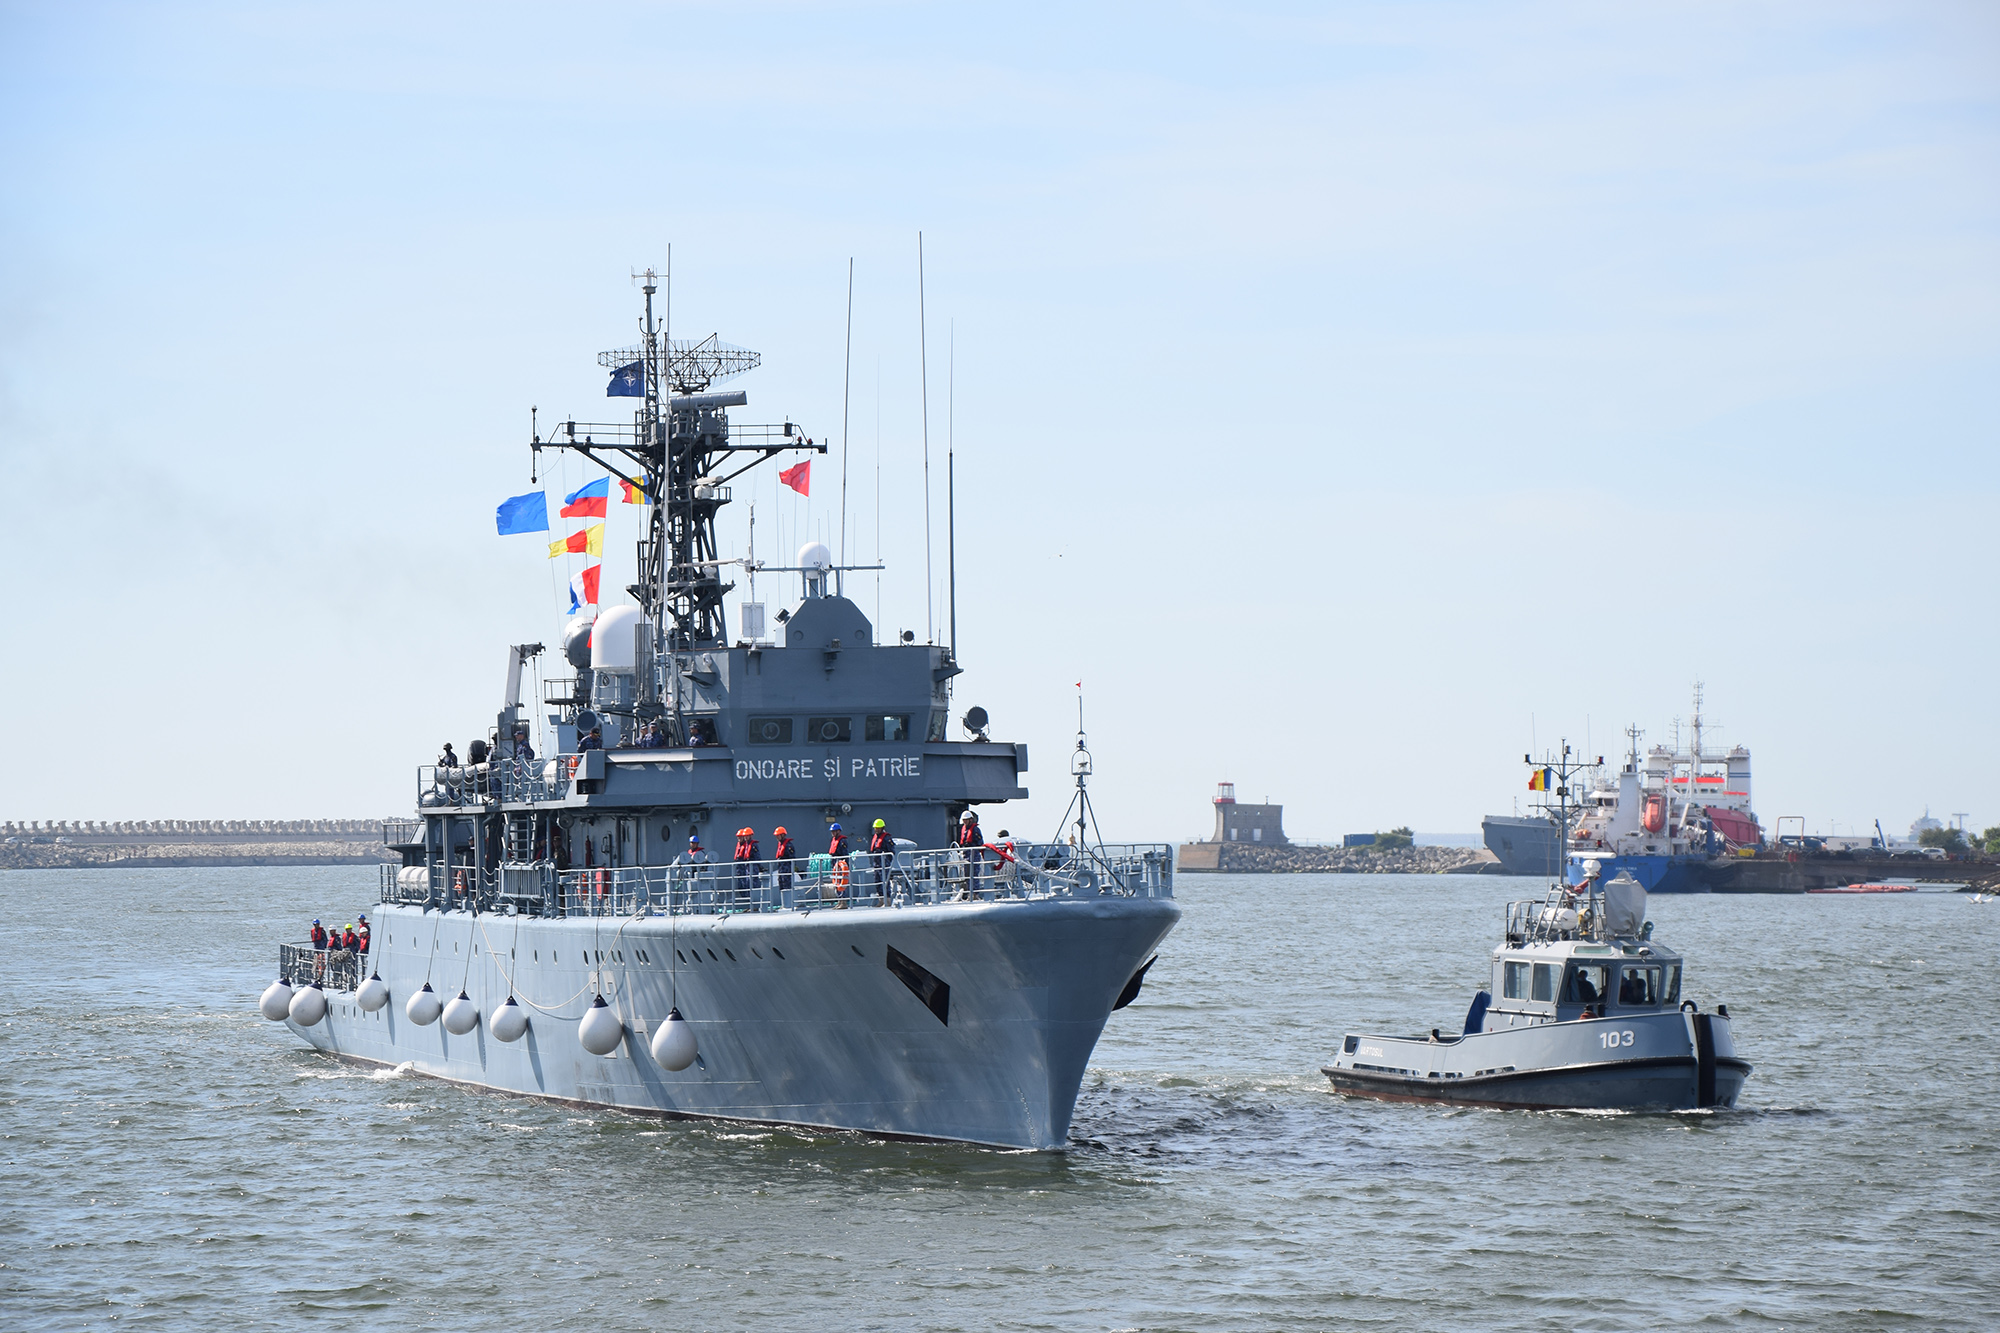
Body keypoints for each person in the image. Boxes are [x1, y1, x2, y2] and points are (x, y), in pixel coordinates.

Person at [956, 810, 985, 898]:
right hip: (966, 853)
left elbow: (980, 842)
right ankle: (969, 892)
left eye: (966, 820)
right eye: (964, 820)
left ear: (970, 820)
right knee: (967, 874)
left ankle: (975, 893)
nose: (965, 821)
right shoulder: (963, 829)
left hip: (973, 853)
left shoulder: (975, 829)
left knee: (974, 873)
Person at [734, 826, 762, 904]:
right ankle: (749, 902)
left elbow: (757, 856)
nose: (745, 837)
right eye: (744, 836)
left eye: (747, 836)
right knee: (746, 884)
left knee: (753, 884)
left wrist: (759, 866)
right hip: (747, 868)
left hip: (752, 867)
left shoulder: (753, 845)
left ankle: (755, 903)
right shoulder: (746, 845)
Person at [867, 818, 893, 901]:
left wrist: (886, 861)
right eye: (875, 828)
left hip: (883, 863)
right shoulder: (875, 838)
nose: (876, 830)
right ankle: (881, 900)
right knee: (877, 881)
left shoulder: (886, 838)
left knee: (885, 881)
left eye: (878, 828)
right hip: (876, 863)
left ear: (882, 828)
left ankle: (887, 900)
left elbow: (891, 851)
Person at [771, 825, 796, 897]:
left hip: (786, 869)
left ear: (783, 835)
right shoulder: (780, 845)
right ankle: (784, 900)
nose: (777, 837)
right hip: (781, 869)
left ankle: (788, 900)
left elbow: (792, 858)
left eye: (778, 835)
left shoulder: (788, 845)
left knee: (787, 885)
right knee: (781, 884)